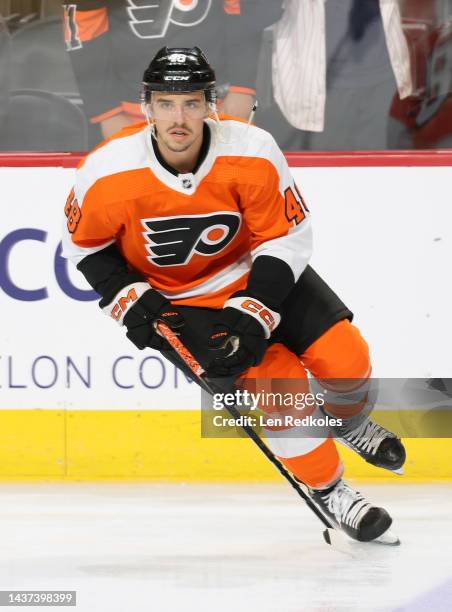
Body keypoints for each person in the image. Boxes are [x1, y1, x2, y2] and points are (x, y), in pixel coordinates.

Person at [62, 46, 405, 543]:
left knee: (346, 357)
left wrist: (255, 307)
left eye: (191, 103)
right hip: (183, 306)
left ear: (210, 104)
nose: (179, 118)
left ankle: (348, 420)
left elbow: (285, 236)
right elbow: (85, 249)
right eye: (165, 103)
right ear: (146, 106)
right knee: (281, 393)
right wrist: (131, 297)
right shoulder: (106, 171)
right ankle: (331, 490)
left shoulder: (252, 149)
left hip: (257, 274)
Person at [62, 0, 282, 141]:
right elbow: (84, 26)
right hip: (134, 113)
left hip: (215, 106)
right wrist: (108, 114)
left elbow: (240, 10)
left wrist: (242, 88)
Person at [258, 0, 413, 151]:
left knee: (379, 170)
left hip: (382, 77)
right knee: (323, 170)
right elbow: (256, 11)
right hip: (318, 85)